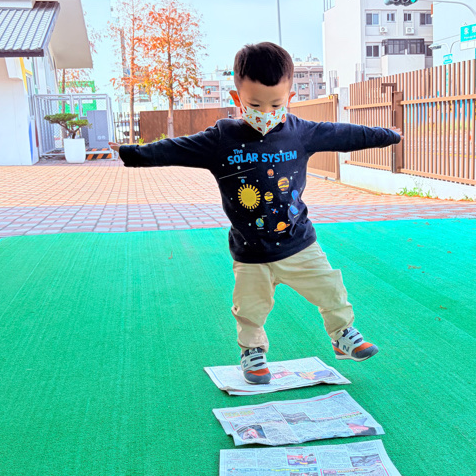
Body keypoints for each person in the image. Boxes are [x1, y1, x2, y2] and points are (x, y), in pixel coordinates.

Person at [110, 42, 401, 385]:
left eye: (276, 104)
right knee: (249, 307)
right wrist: (132, 153)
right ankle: (252, 352)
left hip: (299, 242)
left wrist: (389, 136)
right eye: (255, 104)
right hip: (250, 251)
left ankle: (342, 335)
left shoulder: (301, 132)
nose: (266, 112)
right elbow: (175, 148)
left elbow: (346, 134)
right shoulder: (222, 138)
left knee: (330, 288)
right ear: (238, 98)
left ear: (290, 97)